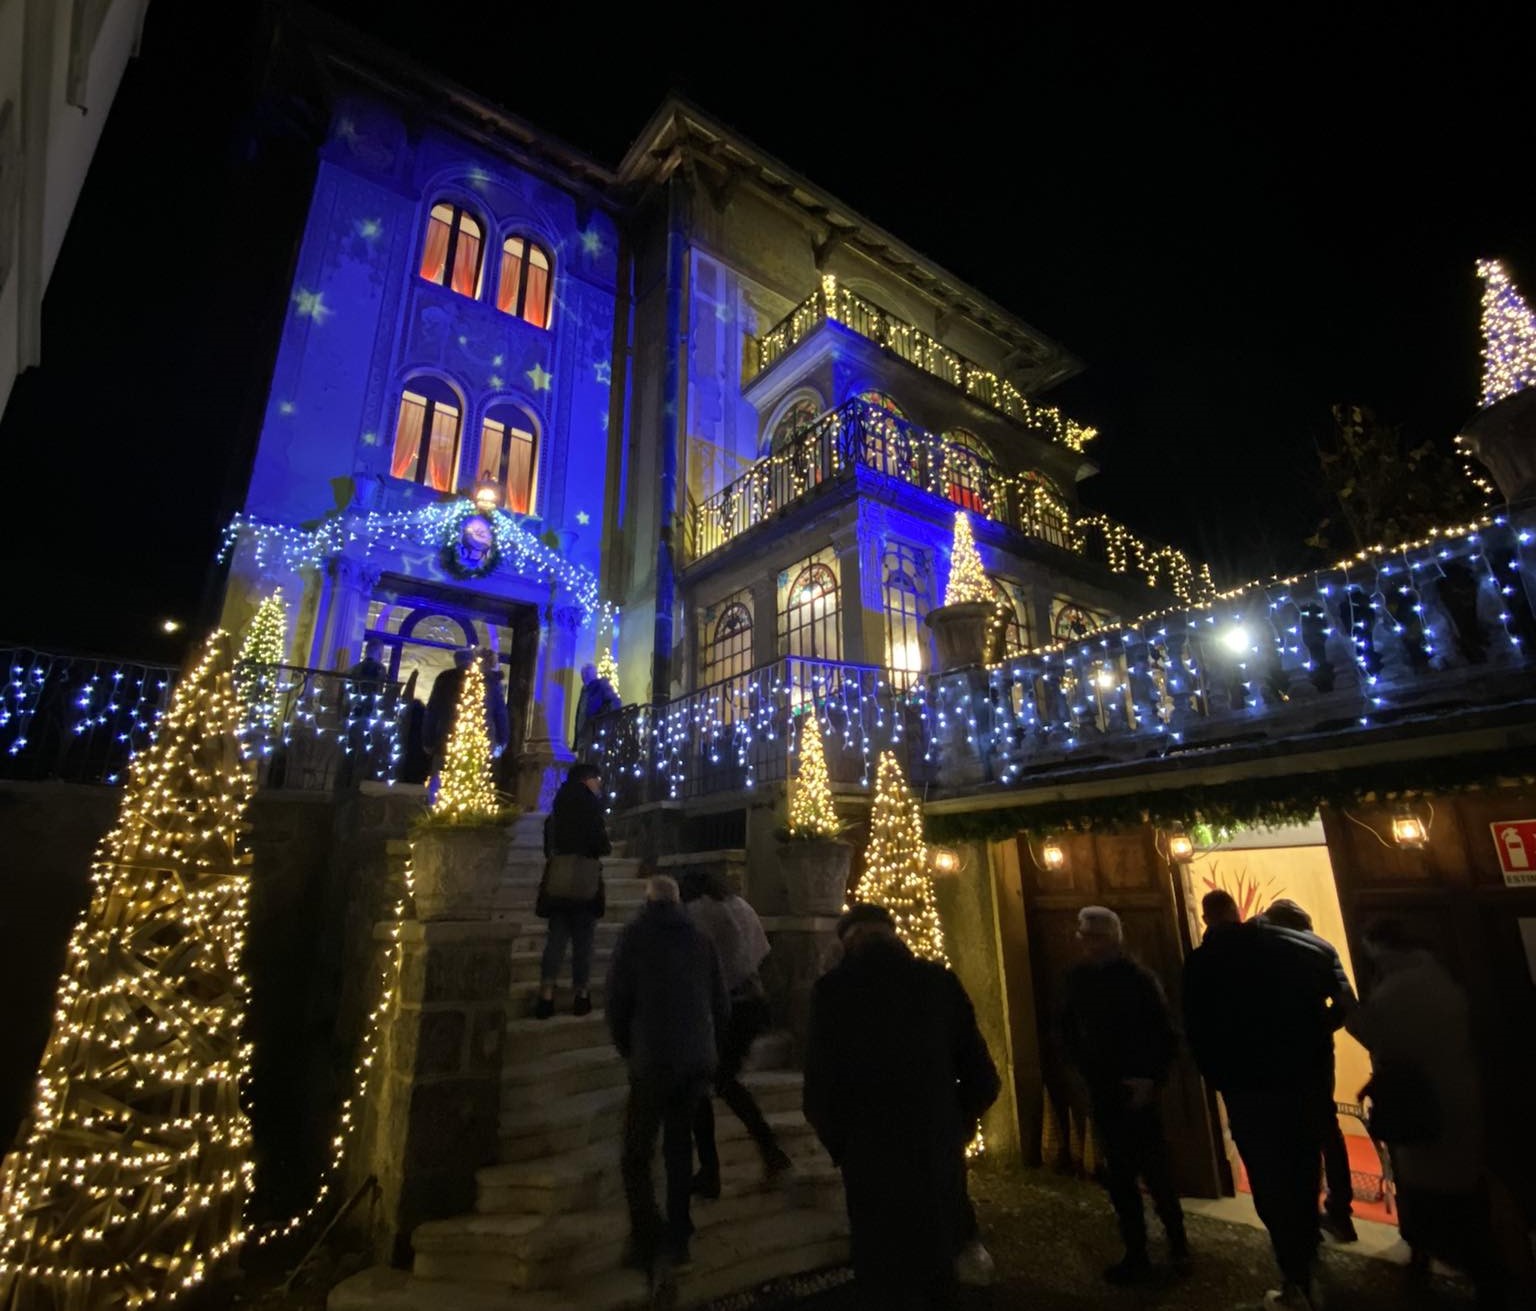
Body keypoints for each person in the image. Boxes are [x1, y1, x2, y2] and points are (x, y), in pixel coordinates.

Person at [803, 903, 1000, 1310]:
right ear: (893, 935)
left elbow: (820, 1088)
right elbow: (983, 1078)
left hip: (869, 1157)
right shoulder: (938, 982)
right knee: (938, 1272)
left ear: (849, 941)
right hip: (934, 1151)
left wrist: (843, 1144)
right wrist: (954, 1126)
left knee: (882, 1277)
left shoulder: (833, 991)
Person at [1183, 889, 1347, 1311]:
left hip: (1248, 1087)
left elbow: (1196, 1031)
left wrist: (1220, 1077)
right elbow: (1339, 1003)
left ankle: (1295, 1272)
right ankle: (1306, 1256)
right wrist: (1317, 1037)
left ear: (1208, 919)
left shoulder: (1205, 962)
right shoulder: (1295, 951)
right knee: (1302, 1164)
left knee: (1270, 1176)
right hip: (1299, 1080)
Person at [1346, 919, 1504, 1309]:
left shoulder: (1397, 990)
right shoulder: (1441, 977)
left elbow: (1373, 1032)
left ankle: (1437, 1260)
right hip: (1457, 1092)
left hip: (1418, 1100)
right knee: (1460, 1184)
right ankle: (1481, 1271)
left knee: (1427, 1187)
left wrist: (1344, 1007)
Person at [607, 875, 729, 1291]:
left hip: (654, 1059)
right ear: (677, 902)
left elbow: (617, 1003)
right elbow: (720, 1001)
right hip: (694, 1061)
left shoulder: (635, 938)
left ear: (647, 900)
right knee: (679, 1152)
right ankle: (679, 1239)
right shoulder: (700, 938)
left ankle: (649, 1238)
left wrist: (630, 1047)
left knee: (636, 1154)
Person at [1059, 906, 1189, 1284]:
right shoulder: (1078, 980)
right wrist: (1082, 1070)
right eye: (1084, 936)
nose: (1086, 942)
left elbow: (1163, 1034)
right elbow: (1067, 1029)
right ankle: (1137, 1250)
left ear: (1111, 937)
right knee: (1120, 1175)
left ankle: (1177, 1244)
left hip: (1137, 1086)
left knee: (1155, 1170)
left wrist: (1150, 1079)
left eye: (1093, 936)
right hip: (1104, 1086)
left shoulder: (1138, 980)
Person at [678, 870, 792, 1198]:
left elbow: (698, 961)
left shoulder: (698, 912)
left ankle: (719, 1169)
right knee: (722, 1082)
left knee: (709, 1085)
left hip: (728, 1006)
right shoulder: (740, 906)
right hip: (752, 1001)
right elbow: (759, 952)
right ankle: (767, 1153)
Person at [1261, 898, 1359, 1243]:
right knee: (1326, 1127)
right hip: (1316, 1051)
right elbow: (1346, 1004)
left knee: (1284, 1130)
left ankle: (1300, 1212)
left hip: (1272, 1051)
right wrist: (1321, 1026)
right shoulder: (1323, 949)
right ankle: (1340, 1212)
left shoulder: (1260, 946)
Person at [536, 763, 610, 1018]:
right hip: (584, 880)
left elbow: (548, 840)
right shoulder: (591, 807)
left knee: (555, 939)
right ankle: (581, 994)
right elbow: (601, 844)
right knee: (583, 941)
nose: (598, 784)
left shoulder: (558, 805)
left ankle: (546, 994)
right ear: (587, 779)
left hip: (559, 877)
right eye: (596, 779)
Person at [423, 648, 475, 785]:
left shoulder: (444, 679)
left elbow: (432, 711)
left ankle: (433, 804)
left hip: (445, 738)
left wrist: (428, 740)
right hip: (472, 745)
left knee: (438, 782)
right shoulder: (479, 681)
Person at [572, 661, 621, 751]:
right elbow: (581, 713)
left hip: (594, 735)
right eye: (583, 673)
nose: (583, 675)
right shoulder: (584, 690)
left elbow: (615, 703)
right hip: (582, 736)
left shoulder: (602, 685)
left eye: (585, 673)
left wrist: (604, 725)